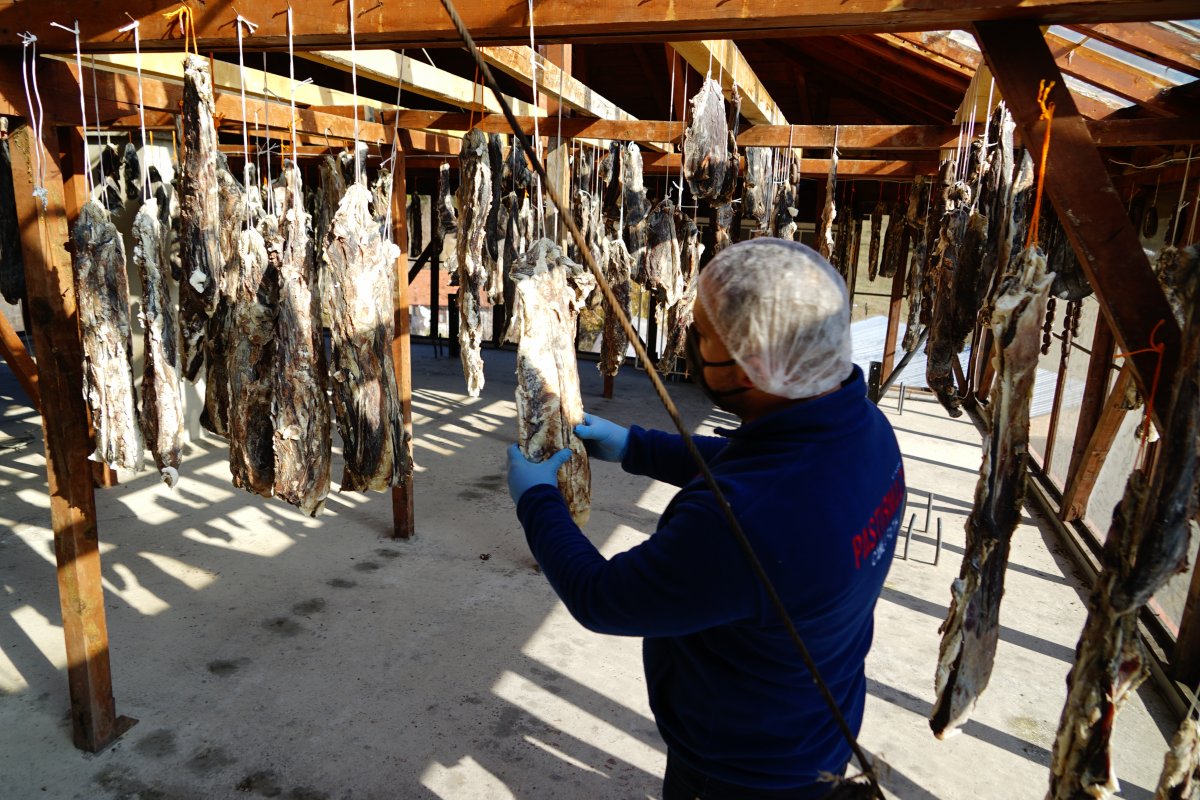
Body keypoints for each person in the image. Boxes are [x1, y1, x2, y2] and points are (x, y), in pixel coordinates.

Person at [506, 239, 905, 799]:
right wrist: (637, 448)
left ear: (751, 369)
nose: (688, 343)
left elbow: (601, 598)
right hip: (814, 720)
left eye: (700, 334)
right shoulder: (863, 428)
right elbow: (761, 465)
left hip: (739, 769)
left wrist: (536, 502)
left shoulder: (743, 525)